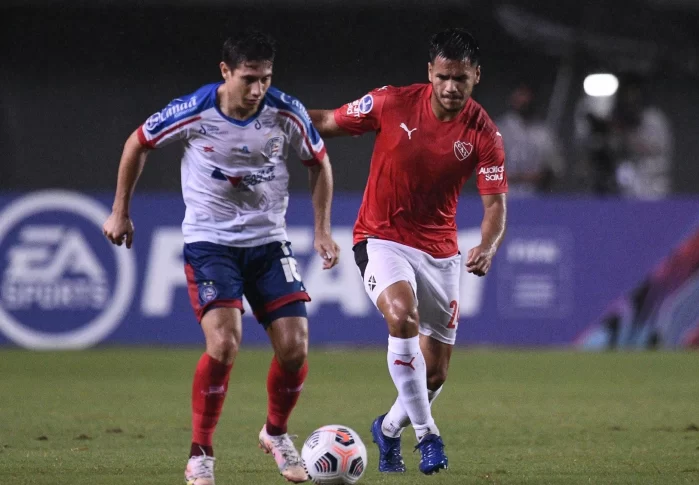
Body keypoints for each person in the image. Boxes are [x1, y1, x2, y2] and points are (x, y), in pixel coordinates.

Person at [102, 31, 340, 485]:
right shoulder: (194, 110)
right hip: (211, 244)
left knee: (295, 349)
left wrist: (323, 229)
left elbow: (319, 163)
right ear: (225, 72)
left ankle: (275, 433)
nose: (257, 90)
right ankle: (201, 454)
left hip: (269, 243)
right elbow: (137, 143)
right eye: (248, 79)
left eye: (265, 79)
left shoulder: (284, 110)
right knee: (225, 343)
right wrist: (120, 211)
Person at [309, 28, 507, 475]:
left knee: (433, 374)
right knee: (402, 316)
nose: (451, 87)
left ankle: (389, 429)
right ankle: (428, 434)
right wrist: (278, 114)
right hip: (381, 238)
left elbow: (495, 205)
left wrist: (488, 244)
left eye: (461, 78)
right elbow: (327, 122)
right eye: (443, 77)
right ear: (430, 74)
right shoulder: (391, 102)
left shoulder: (484, 133)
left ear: (476, 76)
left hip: (440, 253)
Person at [496, 83, 564, 195]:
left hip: (535, 197)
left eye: (526, 98)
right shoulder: (499, 129)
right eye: (520, 97)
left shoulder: (543, 133)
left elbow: (555, 168)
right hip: (504, 196)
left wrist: (540, 176)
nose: (524, 101)